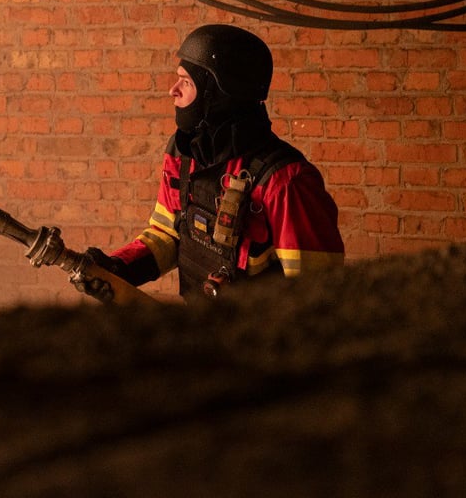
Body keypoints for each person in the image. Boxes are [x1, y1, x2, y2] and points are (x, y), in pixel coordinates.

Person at [79, 24, 345, 299]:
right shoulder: (183, 155)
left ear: (218, 94)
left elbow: (318, 294)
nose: (173, 90)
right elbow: (168, 234)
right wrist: (118, 268)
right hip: (205, 327)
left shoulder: (285, 181)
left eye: (187, 81)